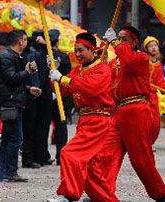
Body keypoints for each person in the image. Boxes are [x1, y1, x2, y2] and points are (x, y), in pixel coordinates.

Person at [102, 26, 165, 201]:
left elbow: (128, 60)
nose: (120, 41)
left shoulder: (140, 58)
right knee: (106, 155)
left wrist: (115, 43)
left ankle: (161, 195)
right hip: (118, 113)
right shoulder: (114, 62)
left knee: (140, 158)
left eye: (124, 39)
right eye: (119, 38)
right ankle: (101, 193)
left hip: (136, 110)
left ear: (134, 42)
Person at [47, 32, 117, 202]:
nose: (77, 54)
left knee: (69, 153)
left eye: (81, 50)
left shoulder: (102, 69)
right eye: (75, 50)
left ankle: (69, 195)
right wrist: (53, 73)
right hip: (85, 120)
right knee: (91, 168)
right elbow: (63, 90)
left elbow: (90, 88)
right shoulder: (78, 70)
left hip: (98, 120)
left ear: (92, 50)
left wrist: (62, 78)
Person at [0, 30, 39, 181]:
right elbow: (12, 78)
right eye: (25, 40)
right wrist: (27, 71)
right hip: (10, 103)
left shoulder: (10, 55)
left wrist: (28, 89)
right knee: (15, 138)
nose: (26, 43)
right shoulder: (7, 57)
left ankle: (4, 172)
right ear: (20, 41)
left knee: (8, 138)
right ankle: (10, 172)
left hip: (12, 100)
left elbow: (11, 82)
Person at [22, 30, 55, 168]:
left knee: (36, 128)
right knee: (34, 129)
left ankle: (38, 156)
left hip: (38, 94)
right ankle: (32, 157)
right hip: (34, 94)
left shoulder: (37, 53)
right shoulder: (33, 54)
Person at [49, 29, 71, 165]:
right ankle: (60, 156)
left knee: (42, 126)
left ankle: (40, 156)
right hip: (59, 95)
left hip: (48, 95)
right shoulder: (63, 56)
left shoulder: (38, 54)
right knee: (61, 125)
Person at [143, 36, 165, 145]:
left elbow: (160, 83)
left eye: (155, 45)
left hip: (153, 96)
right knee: (144, 121)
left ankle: (149, 143)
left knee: (156, 123)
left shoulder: (158, 64)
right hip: (142, 95)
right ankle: (144, 143)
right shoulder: (142, 60)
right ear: (146, 49)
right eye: (150, 46)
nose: (153, 48)